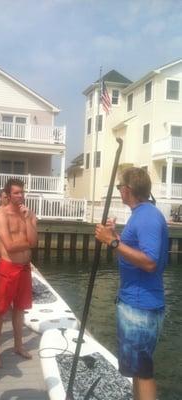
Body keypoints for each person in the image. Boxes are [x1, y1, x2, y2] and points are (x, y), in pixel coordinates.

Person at [95, 167, 168, 400]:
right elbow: (136, 250)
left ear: (127, 190)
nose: (119, 191)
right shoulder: (141, 214)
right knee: (136, 370)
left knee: (143, 372)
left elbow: (149, 262)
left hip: (141, 308)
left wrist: (113, 244)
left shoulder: (147, 217)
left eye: (119, 187)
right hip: (134, 305)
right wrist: (114, 237)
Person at [0, 178, 37, 368]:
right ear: (8, 195)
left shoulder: (28, 214)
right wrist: (27, 242)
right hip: (8, 268)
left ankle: (18, 345)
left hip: (24, 268)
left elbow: (34, 241)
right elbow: (8, 246)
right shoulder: (1, 214)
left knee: (19, 310)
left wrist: (28, 221)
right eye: (16, 193)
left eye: (22, 192)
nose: (20, 195)